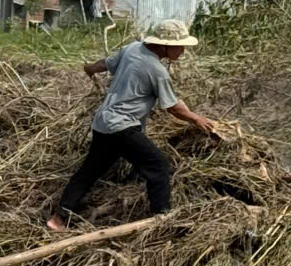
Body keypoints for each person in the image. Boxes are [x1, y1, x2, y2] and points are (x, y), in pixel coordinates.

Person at [47, 20, 216, 231]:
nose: (182, 51)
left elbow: (104, 64)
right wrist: (196, 119)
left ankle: (58, 219)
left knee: (89, 172)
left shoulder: (132, 48)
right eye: (180, 46)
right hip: (122, 128)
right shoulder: (157, 70)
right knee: (159, 166)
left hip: (103, 124)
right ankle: (163, 221)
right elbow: (172, 107)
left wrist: (89, 68)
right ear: (164, 45)